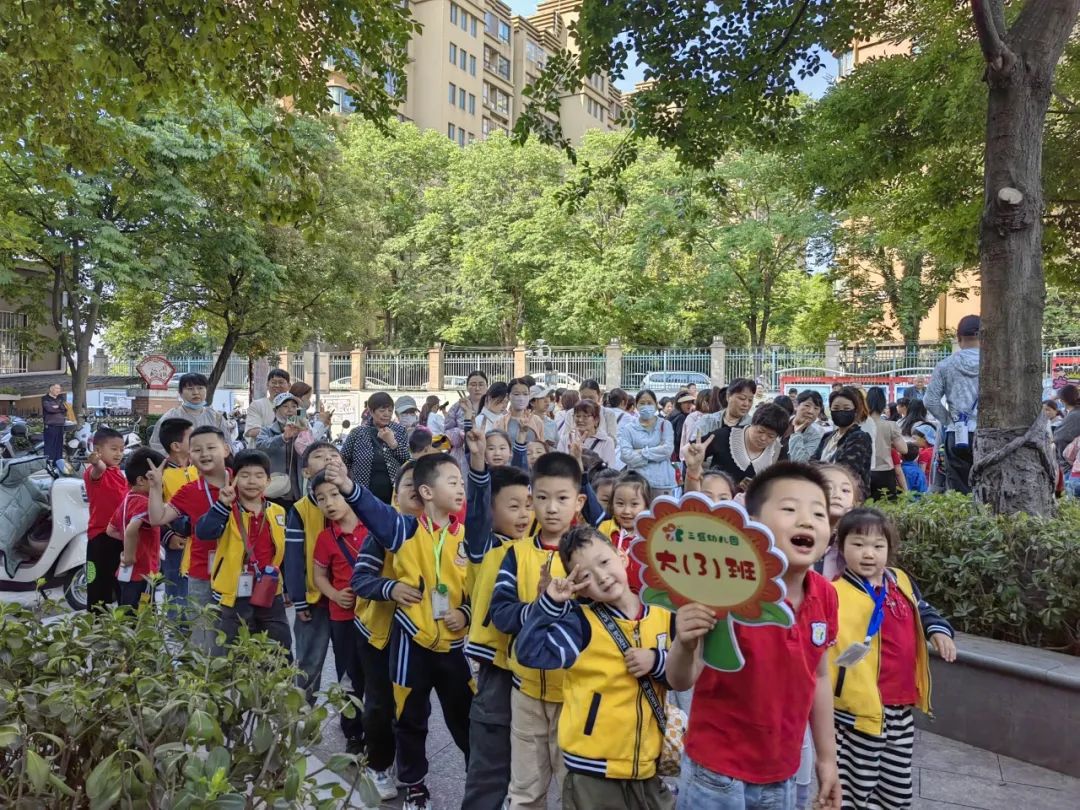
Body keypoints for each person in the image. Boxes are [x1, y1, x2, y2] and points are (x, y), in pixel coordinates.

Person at [666, 463, 842, 810]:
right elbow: (680, 679)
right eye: (789, 509)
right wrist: (684, 643)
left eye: (818, 513)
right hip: (716, 776)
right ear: (754, 525)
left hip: (782, 773)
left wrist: (827, 758)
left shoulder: (826, 594)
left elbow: (819, 676)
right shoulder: (725, 590)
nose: (806, 520)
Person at [328, 452, 472, 810]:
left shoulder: (465, 538)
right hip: (397, 637)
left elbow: (475, 589)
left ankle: (483, 782)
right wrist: (347, 486)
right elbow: (373, 525)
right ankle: (407, 780)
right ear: (423, 491)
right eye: (451, 481)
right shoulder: (399, 531)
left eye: (461, 482)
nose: (460, 488)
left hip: (451, 644)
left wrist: (465, 613)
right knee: (402, 714)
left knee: (467, 716)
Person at [514, 524, 679, 810]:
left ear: (622, 556)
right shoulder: (580, 623)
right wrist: (550, 604)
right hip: (592, 770)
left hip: (647, 767)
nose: (601, 577)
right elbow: (529, 653)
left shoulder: (663, 613)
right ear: (576, 583)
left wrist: (656, 660)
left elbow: (683, 675)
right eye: (586, 574)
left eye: (604, 562)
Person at [830, 508, 956, 809]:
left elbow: (922, 609)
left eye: (878, 545)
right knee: (855, 787)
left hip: (900, 706)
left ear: (890, 548)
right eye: (858, 544)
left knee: (896, 787)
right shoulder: (833, 593)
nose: (868, 553)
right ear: (841, 546)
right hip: (856, 713)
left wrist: (939, 630)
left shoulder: (899, 580)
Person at [491, 452, 587, 808]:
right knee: (525, 790)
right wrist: (539, 607)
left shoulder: (590, 554)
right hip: (527, 691)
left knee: (575, 789)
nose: (551, 508)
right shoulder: (516, 554)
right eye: (542, 498)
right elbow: (501, 614)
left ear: (578, 501)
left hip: (576, 693)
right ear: (531, 499)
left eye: (562, 499)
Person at [461, 431, 533, 809]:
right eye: (513, 506)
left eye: (528, 505)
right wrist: (476, 464)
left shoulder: (533, 548)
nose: (525, 515)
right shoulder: (483, 544)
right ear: (492, 509)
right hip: (497, 672)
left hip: (535, 670)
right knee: (490, 767)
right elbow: (474, 509)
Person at [350, 461, 424, 802]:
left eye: (423, 484)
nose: (417, 491)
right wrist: (390, 588)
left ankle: (413, 777)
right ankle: (378, 764)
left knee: (414, 709)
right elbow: (360, 580)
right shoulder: (383, 533)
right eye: (409, 484)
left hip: (422, 637)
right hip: (380, 634)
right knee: (379, 706)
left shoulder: (446, 534)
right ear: (396, 493)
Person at [195, 449, 292, 654]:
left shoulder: (278, 512)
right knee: (236, 652)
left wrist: (288, 589)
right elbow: (204, 532)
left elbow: (285, 554)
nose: (252, 481)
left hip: (269, 591)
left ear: (267, 481)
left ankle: (274, 686)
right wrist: (222, 505)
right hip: (234, 593)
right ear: (234, 479)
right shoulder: (226, 510)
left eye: (259, 476)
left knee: (280, 649)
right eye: (245, 476)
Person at [147, 425, 233, 650]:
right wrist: (156, 487)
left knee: (237, 643)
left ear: (225, 449)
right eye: (197, 449)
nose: (204, 454)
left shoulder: (243, 481)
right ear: (190, 455)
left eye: (211, 447)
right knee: (203, 643)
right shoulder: (188, 490)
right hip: (203, 573)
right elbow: (157, 518)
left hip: (238, 572)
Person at [310, 470, 368, 755]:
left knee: (378, 675)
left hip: (375, 617)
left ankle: (380, 725)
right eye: (321, 499)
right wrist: (334, 594)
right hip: (343, 617)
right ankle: (353, 732)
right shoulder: (325, 538)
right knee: (349, 675)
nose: (329, 503)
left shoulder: (372, 527)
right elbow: (318, 575)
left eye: (334, 494)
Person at [284, 442, 343, 703]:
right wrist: (298, 598)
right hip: (314, 599)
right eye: (319, 457)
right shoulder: (300, 509)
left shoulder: (359, 501)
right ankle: (300, 715)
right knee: (309, 659)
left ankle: (353, 724)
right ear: (306, 472)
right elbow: (294, 558)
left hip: (351, 599)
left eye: (333, 456)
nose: (328, 460)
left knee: (352, 663)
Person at [925, 315, 981, 493]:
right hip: (989, 434)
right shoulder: (996, 365)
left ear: (958, 338)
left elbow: (930, 400)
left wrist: (950, 421)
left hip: (957, 435)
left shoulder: (945, 365)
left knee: (960, 492)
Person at [110, 448, 166, 609]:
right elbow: (131, 530)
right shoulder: (144, 504)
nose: (161, 483)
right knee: (143, 617)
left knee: (127, 614)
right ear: (142, 480)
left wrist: (131, 544)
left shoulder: (128, 499)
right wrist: (129, 555)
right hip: (143, 573)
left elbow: (112, 530)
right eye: (156, 479)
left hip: (126, 574)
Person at [84, 427, 129, 612]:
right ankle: (96, 624)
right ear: (98, 450)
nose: (119, 453)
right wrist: (95, 462)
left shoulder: (120, 473)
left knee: (121, 582)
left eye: (121, 449)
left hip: (121, 537)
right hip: (100, 537)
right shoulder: (95, 472)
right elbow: (98, 467)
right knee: (96, 584)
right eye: (114, 449)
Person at [341, 392, 410, 505]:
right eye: (382, 411)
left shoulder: (399, 430)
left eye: (390, 410)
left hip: (392, 492)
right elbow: (344, 460)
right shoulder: (358, 433)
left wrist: (392, 443)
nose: (386, 414)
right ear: (372, 412)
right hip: (364, 492)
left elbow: (407, 460)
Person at [701, 402, 789, 490]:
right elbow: (692, 452)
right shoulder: (725, 436)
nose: (763, 438)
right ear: (752, 423)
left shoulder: (778, 451)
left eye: (771, 436)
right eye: (760, 431)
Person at [157, 418, 197, 606]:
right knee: (177, 594)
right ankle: (177, 632)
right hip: (177, 544)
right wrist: (168, 536)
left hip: (200, 543)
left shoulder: (198, 469)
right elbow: (151, 512)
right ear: (176, 445)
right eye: (192, 437)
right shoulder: (161, 475)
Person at [149, 373, 235, 453]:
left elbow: (227, 445)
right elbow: (156, 445)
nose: (196, 392)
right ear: (180, 393)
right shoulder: (171, 417)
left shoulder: (217, 417)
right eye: (190, 389)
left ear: (206, 390)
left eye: (200, 388)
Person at [596, 471, 651, 594]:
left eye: (634, 504)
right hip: (610, 596)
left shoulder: (652, 534)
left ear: (646, 506)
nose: (626, 511)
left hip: (643, 599)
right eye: (620, 503)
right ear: (612, 504)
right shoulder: (604, 529)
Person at [815, 386, 873, 499]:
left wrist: (818, 467)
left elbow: (845, 469)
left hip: (848, 497)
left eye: (846, 408)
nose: (841, 412)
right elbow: (811, 461)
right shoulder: (828, 436)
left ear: (855, 411)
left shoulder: (860, 437)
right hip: (824, 494)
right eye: (836, 408)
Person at [255, 391, 309, 509]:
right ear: (275, 411)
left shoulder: (302, 429)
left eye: (294, 407)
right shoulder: (267, 430)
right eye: (285, 406)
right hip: (274, 489)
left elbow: (313, 450)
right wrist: (283, 437)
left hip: (298, 491)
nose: (290, 410)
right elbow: (260, 447)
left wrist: (304, 433)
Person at [618, 390, 676, 496]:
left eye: (649, 403)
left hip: (662, 484)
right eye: (642, 403)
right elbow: (626, 456)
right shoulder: (628, 429)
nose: (646, 406)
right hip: (636, 484)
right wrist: (657, 451)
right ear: (636, 405)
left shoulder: (665, 425)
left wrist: (641, 451)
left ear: (655, 404)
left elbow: (667, 450)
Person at [866, 386, 908, 500]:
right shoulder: (890, 426)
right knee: (887, 511)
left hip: (863, 473)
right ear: (883, 404)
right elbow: (904, 449)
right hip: (884, 472)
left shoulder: (858, 425)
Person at [558, 400, 617, 471]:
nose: (580, 420)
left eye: (585, 416)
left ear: (596, 420)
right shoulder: (566, 439)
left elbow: (609, 470)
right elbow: (558, 466)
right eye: (577, 416)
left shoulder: (606, 441)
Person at [245, 368, 292, 442]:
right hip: (261, 452)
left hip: (288, 452)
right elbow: (251, 431)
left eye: (281, 382)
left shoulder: (298, 407)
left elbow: (304, 428)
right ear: (267, 384)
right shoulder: (256, 405)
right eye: (273, 382)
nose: (277, 385)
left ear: (289, 386)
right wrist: (282, 432)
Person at [499, 378, 546, 446]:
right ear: (508, 396)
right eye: (516, 394)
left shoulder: (537, 421)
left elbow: (541, 445)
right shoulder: (500, 422)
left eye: (525, 394)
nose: (521, 398)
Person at [787, 390, 826, 463]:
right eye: (807, 405)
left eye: (816, 408)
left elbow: (800, 462)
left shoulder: (815, 436)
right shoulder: (782, 423)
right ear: (796, 405)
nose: (811, 411)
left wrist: (797, 433)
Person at [679, 390, 712, 461]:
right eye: (707, 401)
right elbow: (690, 440)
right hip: (692, 459)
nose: (708, 404)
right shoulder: (693, 417)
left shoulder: (715, 417)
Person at [41, 383, 67, 463]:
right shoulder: (45, 398)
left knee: (59, 446)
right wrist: (59, 408)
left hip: (60, 425)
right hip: (50, 426)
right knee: (49, 446)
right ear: (51, 389)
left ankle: (58, 463)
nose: (58, 390)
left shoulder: (61, 398)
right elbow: (49, 409)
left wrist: (57, 407)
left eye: (59, 388)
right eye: (56, 388)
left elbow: (65, 408)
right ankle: (48, 464)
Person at [667, 390, 695, 459]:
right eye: (685, 402)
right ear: (679, 404)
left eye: (691, 402)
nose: (689, 404)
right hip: (676, 454)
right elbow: (680, 438)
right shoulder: (681, 417)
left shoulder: (673, 413)